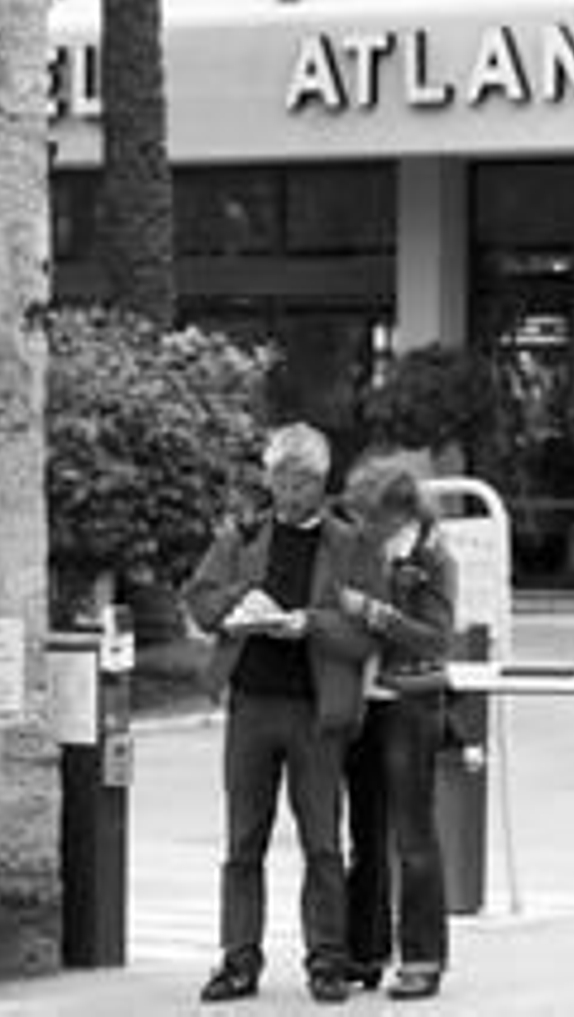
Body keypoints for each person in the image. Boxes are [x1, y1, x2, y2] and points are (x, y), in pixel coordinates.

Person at [182, 422, 381, 1005]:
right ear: (268, 479)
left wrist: (310, 625)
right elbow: (200, 601)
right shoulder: (242, 537)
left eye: (302, 483)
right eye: (281, 481)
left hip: (315, 711)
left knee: (322, 842)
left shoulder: (351, 545)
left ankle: (327, 960)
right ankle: (238, 959)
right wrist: (239, 603)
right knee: (244, 841)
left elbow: (368, 631)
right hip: (251, 704)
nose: (290, 494)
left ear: (322, 483)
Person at [339, 454, 457, 1001]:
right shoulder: (364, 548)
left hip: (411, 702)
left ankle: (423, 957)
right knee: (365, 833)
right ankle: (364, 950)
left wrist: (374, 613)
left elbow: (437, 637)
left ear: (398, 511)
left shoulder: (432, 555)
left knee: (412, 836)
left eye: (370, 516)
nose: (362, 525)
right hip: (365, 703)